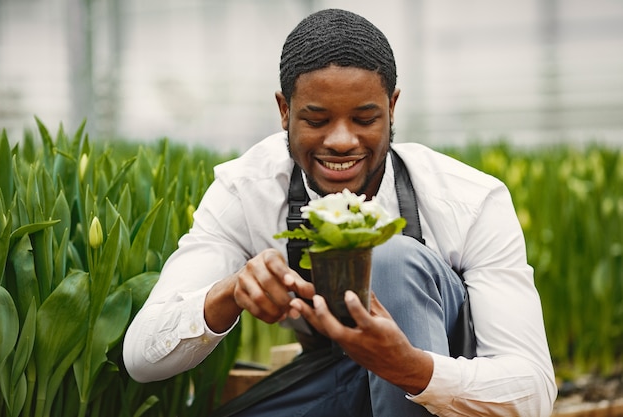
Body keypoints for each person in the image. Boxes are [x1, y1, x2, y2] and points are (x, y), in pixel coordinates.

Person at [123, 8, 557, 416]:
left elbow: (534, 391)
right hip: (336, 376)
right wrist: (229, 292)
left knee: (391, 257)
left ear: (392, 107)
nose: (342, 141)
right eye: (316, 120)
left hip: (445, 389)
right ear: (284, 110)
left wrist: (410, 366)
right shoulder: (247, 191)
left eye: (365, 118)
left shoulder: (468, 200)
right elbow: (142, 357)